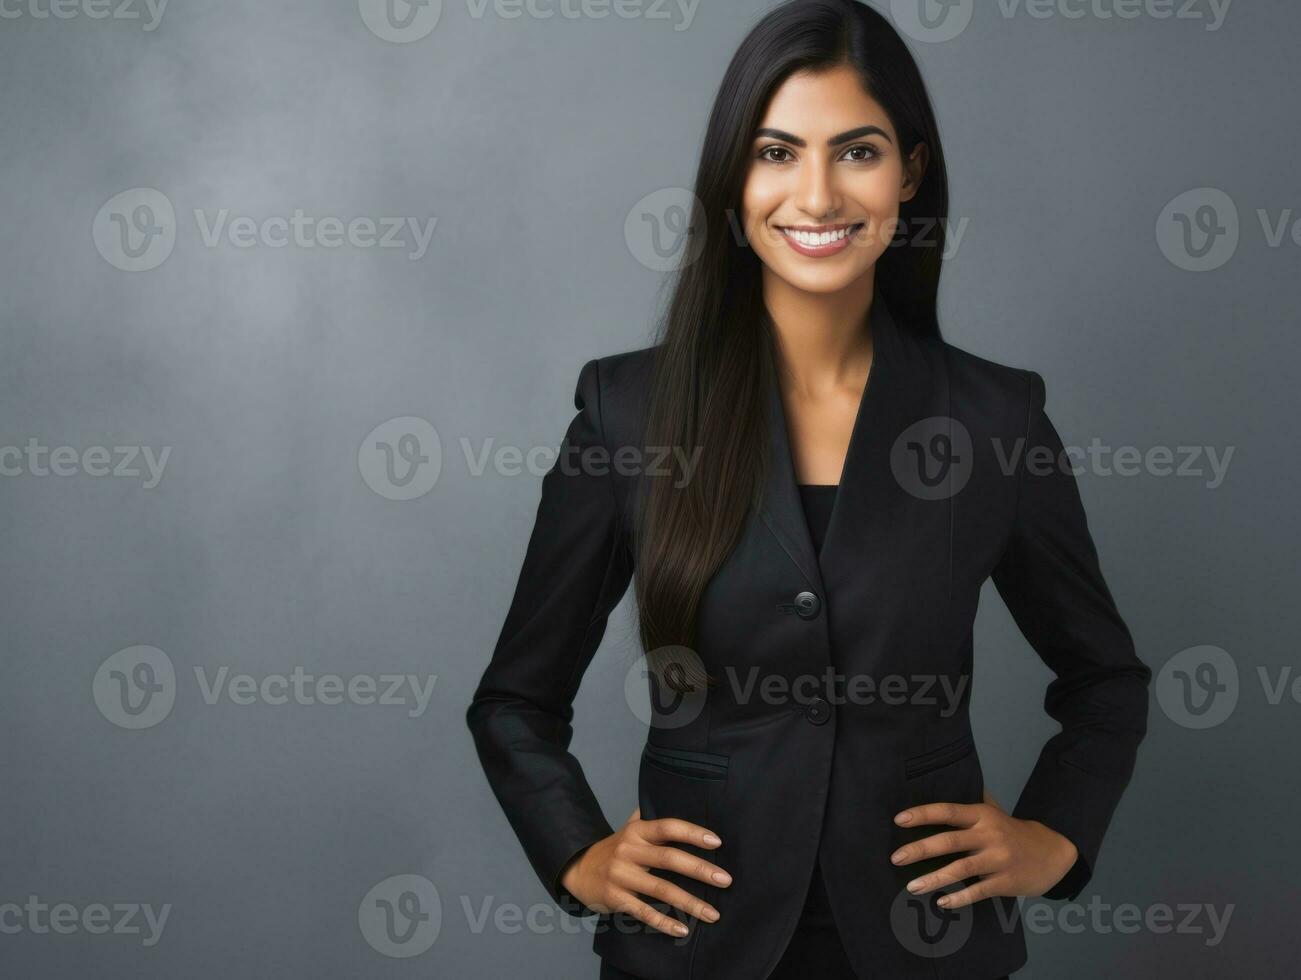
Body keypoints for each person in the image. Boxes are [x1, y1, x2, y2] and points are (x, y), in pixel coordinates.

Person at [466, 2, 1151, 977]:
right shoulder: (629, 414)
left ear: (908, 173)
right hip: (691, 948)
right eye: (777, 152)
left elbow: (1104, 682)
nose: (817, 193)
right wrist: (578, 853)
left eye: (857, 152)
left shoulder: (996, 420)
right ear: (732, 180)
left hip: (928, 943)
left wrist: (1054, 833)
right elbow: (513, 701)